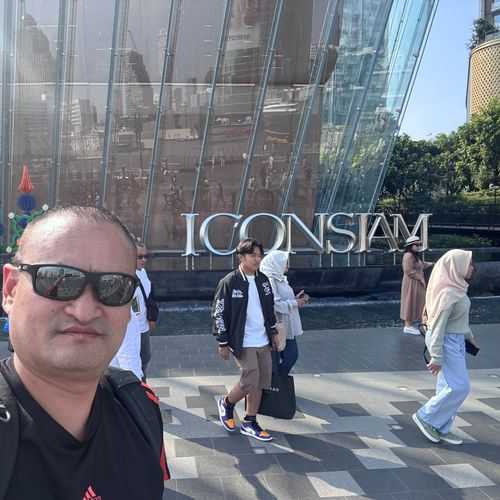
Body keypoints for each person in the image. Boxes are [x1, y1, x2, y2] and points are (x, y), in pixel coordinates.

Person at [0, 206, 168, 499]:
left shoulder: (140, 407)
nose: (84, 311)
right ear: (11, 289)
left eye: (114, 287)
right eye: (57, 280)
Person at [212, 238, 279, 442]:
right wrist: (223, 342)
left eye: (259, 255)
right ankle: (227, 403)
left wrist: (273, 332)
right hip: (242, 340)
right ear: (241, 257)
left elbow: (269, 308)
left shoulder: (263, 280)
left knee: (261, 381)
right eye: (252, 255)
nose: (257, 259)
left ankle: (250, 421)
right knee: (250, 379)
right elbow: (218, 312)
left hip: (263, 339)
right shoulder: (229, 282)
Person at [412, 249, 476, 445]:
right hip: (446, 342)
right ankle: (426, 416)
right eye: (469, 264)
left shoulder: (457, 288)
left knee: (446, 386)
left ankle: (441, 426)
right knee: (460, 386)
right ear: (456, 266)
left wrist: (469, 337)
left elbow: (459, 320)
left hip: (455, 340)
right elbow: (438, 327)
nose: (472, 268)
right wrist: (437, 357)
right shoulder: (448, 293)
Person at [111, 241, 155, 381]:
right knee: (132, 360)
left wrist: (152, 317)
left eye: (146, 256)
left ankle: (142, 383)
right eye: (140, 257)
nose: (144, 260)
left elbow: (149, 296)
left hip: (142, 326)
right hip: (130, 327)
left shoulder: (142, 273)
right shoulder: (121, 279)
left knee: (145, 357)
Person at [259, 250, 307, 375]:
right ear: (276, 263)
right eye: (285, 263)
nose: (287, 266)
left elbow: (281, 300)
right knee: (288, 356)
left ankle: (277, 381)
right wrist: (295, 303)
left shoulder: (279, 278)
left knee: (286, 356)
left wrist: (295, 299)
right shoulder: (270, 280)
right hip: (278, 325)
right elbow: (275, 304)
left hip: (286, 326)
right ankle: (275, 382)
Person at [400, 235, 432, 335]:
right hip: (411, 283)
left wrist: (432, 264)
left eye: (419, 245)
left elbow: (421, 265)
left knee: (417, 302)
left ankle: (415, 324)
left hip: (416, 283)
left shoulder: (414, 256)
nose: (418, 247)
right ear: (411, 246)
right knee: (409, 302)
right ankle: (407, 326)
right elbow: (408, 270)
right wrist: (420, 277)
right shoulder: (408, 256)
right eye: (416, 245)